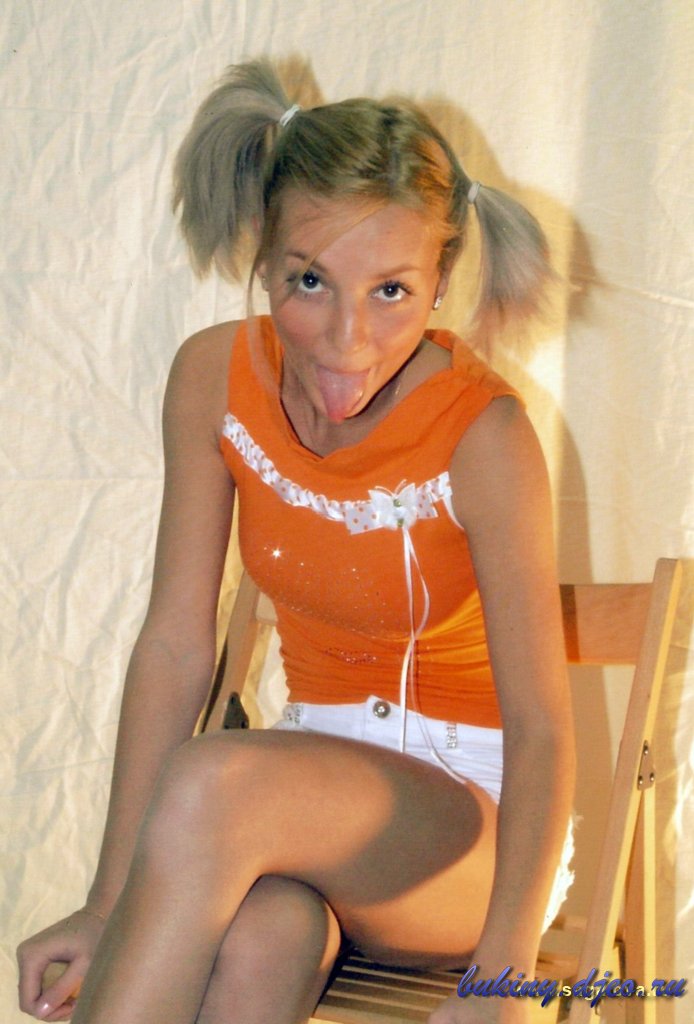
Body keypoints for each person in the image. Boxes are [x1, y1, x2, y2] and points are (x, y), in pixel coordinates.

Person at [17, 60, 575, 1024]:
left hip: (468, 838)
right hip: (295, 804)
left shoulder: (484, 435)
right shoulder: (213, 379)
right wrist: (104, 907)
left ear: (442, 280)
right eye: (309, 280)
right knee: (264, 932)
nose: (346, 339)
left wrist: (506, 976)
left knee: (216, 775)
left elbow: (542, 728)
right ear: (263, 256)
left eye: (392, 290)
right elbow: (175, 644)